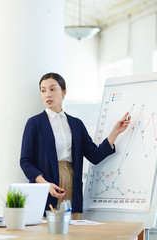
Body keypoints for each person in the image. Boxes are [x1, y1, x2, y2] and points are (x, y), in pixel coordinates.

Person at [20, 73, 131, 220]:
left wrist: (115, 132)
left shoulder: (76, 124)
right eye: (43, 90)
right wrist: (45, 184)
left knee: (74, 229)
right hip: (46, 185)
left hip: (72, 183)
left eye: (52, 89)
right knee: (47, 230)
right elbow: (25, 162)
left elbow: (94, 155)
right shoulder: (34, 123)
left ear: (64, 92)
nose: (48, 94)